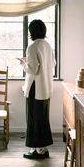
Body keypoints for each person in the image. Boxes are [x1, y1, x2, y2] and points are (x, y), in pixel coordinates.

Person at [18, 19, 55, 159]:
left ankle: (37, 151)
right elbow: (53, 64)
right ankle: (42, 149)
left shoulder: (32, 47)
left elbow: (32, 69)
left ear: (31, 32)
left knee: (34, 119)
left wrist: (23, 63)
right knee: (43, 118)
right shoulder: (48, 45)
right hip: (46, 87)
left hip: (35, 88)